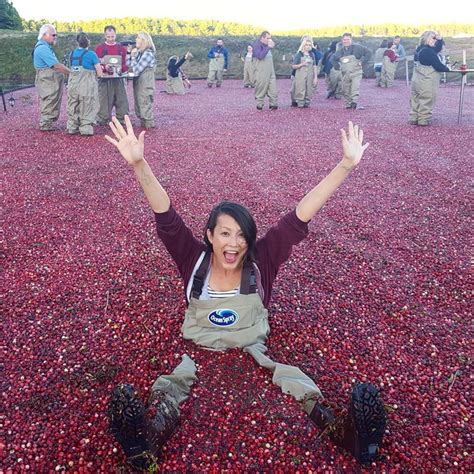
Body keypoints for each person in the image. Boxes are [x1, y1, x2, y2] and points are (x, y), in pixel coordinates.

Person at [105, 116, 387, 469]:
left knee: (293, 379)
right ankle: (145, 438)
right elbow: (166, 216)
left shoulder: (262, 262)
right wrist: (139, 164)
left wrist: (345, 165)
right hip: (199, 349)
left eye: (242, 235)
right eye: (225, 233)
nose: (234, 243)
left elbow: (300, 215)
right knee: (172, 384)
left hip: (254, 350)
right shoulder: (193, 260)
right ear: (209, 236)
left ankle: (344, 431)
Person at [32, 24, 70, 131]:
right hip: (48, 80)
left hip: (49, 79)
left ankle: (48, 123)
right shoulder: (42, 48)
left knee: (51, 99)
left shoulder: (44, 47)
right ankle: (45, 124)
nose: (55, 37)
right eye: (53, 35)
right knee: (49, 99)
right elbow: (56, 66)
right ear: (44, 35)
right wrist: (71, 73)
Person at [409, 31, 450, 126]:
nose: (434, 40)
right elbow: (438, 66)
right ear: (426, 38)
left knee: (415, 99)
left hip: (416, 80)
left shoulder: (420, 49)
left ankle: (413, 118)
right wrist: (447, 69)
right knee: (427, 99)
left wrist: (439, 40)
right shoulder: (428, 52)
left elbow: (436, 49)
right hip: (427, 80)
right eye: (433, 38)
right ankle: (424, 120)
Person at [66, 32, 102, 136]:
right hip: (86, 85)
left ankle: (72, 127)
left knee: (73, 104)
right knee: (87, 105)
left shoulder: (72, 54)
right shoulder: (91, 54)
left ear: (77, 42)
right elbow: (99, 73)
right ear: (88, 42)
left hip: (73, 84)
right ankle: (85, 128)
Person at [95, 25, 129, 124]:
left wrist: (121, 69)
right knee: (104, 100)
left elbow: (125, 64)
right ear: (105, 36)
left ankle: (122, 119)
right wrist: (104, 67)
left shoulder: (121, 48)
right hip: (105, 79)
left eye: (112, 36)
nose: (110, 39)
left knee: (121, 99)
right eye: (108, 37)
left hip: (118, 78)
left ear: (115, 35)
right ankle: (103, 119)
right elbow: (96, 63)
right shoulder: (99, 48)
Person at [331, 33, 371, 109]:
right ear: (342, 41)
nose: (346, 41)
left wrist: (362, 62)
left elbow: (368, 53)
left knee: (354, 87)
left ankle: (354, 102)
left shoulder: (358, 48)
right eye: (344, 40)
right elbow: (333, 59)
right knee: (345, 89)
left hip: (356, 72)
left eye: (348, 39)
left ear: (351, 40)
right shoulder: (340, 51)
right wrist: (337, 67)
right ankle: (348, 104)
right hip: (345, 73)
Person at [126, 32, 156, 129]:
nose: (136, 40)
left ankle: (149, 128)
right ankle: (145, 128)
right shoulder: (140, 53)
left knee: (145, 105)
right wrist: (128, 53)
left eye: (138, 38)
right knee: (139, 105)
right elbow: (128, 65)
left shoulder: (148, 54)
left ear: (144, 41)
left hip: (145, 85)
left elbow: (136, 70)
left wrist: (133, 57)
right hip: (139, 84)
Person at [252, 31, 278, 110]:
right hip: (261, 72)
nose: (269, 40)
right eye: (268, 38)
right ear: (262, 38)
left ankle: (273, 104)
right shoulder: (256, 46)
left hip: (271, 72)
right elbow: (260, 56)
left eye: (270, 38)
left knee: (273, 89)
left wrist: (269, 47)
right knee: (261, 88)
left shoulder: (268, 47)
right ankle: (259, 104)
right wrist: (269, 47)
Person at [292, 37, 318, 108]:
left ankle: (307, 102)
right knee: (300, 88)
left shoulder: (312, 54)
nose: (308, 46)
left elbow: (314, 66)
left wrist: (315, 77)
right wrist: (302, 64)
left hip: (310, 75)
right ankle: (300, 103)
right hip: (300, 75)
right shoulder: (299, 54)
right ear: (303, 45)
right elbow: (293, 66)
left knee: (309, 88)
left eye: (310, 45)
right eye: (306, 45)